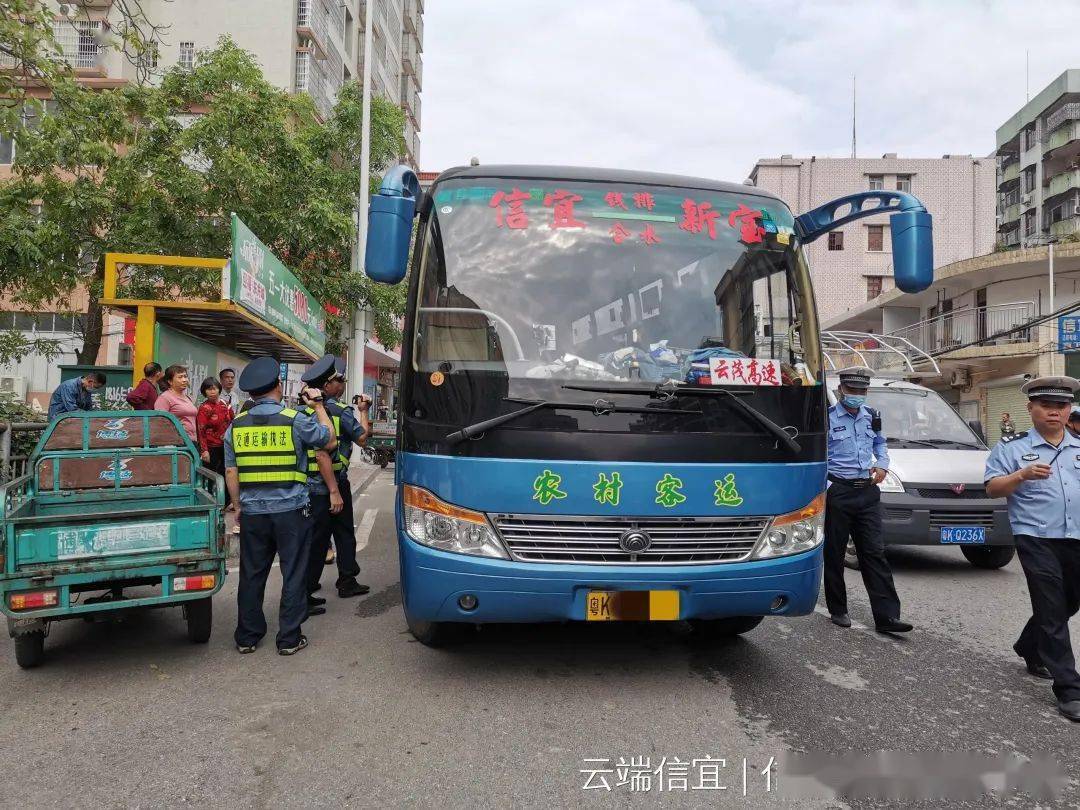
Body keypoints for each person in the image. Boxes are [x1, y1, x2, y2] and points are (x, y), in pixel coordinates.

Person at [224, 356, 342, 656]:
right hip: (291, 511)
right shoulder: (295, 419)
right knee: (293, 572)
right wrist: (317, 406)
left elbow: (231, 471)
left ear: (251, 394)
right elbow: (328, 441)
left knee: (252, 573)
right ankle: (289, 638)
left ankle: (247, 636)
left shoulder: (235, 426)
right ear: (278, 385)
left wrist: (237, 505)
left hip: (252, 512)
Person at [985, 376, 1080, 722]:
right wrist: (1021, 475)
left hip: (1076, 536)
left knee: (1069, 601)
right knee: (1052, 606)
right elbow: (993, 488)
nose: (1054, 412)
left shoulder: (1078, 447)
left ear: (1069, 410)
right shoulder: (1011, 448)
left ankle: (1028, 645)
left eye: (1061, 406)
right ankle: (1069, 689)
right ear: (1031, 409)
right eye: (1046, 405)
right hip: (1035, 536)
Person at [824, 366, 912, 634]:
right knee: (835, 553)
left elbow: (880, 444)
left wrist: (883, 464)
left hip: (867, 492)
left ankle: (887, 617)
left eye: (862, 391)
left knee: (874, 553)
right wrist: (827, 486)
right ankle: (838, 609)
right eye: (853, 390)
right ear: (841, 390)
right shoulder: (826, 419)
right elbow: (817, 454)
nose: (858, 395)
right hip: (838, 491)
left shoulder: (871, 416)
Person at [300, 354, 372, 609]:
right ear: (326, 386)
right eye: (338, 380)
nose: (342, 384)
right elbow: (362, 439)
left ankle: (308, 585)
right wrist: (364, 411)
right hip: (332, 485)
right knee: (340, 534)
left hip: (306, 486)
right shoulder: (340, 411)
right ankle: (345, 581)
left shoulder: (298, 412)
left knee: (315, 537)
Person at [196, 375, 233, 509]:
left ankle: (226, 502)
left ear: (219, 389)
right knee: (212, 475)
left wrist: (228, 434)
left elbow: (233, 422)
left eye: (214, 388)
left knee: (227, 472)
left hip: (226, 446)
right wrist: (204, 450)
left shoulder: (225, 404)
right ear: (204, 391)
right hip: (211, 447)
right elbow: (201, 430)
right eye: (208, 389)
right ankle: (212, 502)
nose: (212, 391)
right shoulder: (204, 408)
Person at [154, 365, 198, 442]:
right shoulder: (165, 398)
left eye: (185, 376)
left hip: (192, 441)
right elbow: (159, 423)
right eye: (180, 377)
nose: (184, 380)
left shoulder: (187, 398)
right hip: (178, 444)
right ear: (170, 381)